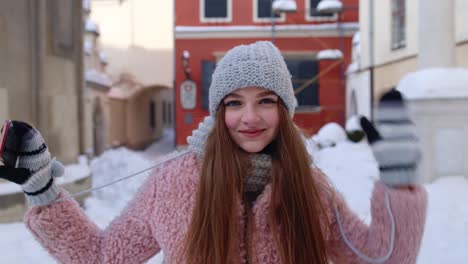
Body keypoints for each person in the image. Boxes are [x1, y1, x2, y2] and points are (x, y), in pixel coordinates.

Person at [0, 41, 426, 264]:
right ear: (218, 110)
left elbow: (381, 257)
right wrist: (44, 193)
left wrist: (400, 184)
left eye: (266, 100)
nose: (250, 117)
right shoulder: (173, 183)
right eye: (234, 103)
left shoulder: (310, 188)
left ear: (286, 108)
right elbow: (102, 256)